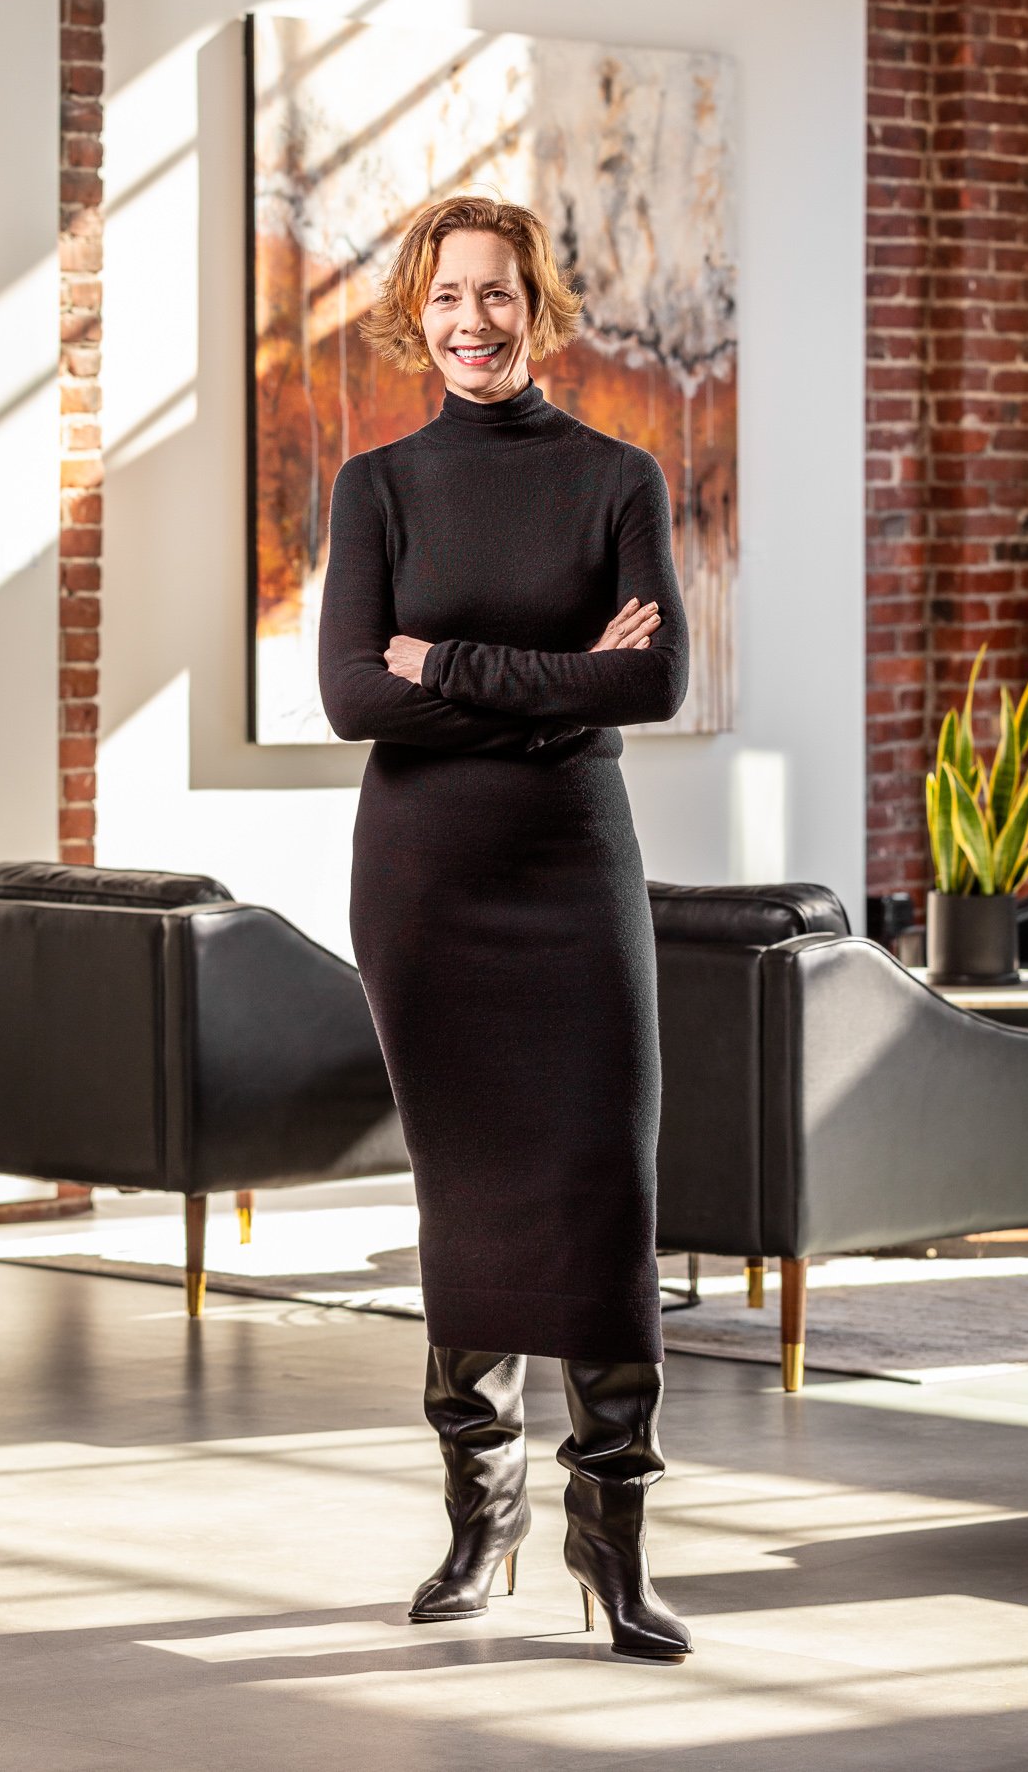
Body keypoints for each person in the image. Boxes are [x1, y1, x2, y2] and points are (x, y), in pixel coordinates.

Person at [317, 193, 692, 1662]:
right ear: (421, 312)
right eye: (449, 295)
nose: (476, 320)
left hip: (572, 873)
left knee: (605, 1184)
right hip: (429, 886)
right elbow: (356, 696)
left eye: (500, 293)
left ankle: (617, 1549)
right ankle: (484, 1529)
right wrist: (554, 685)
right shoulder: (380, 485)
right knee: (462, 1194)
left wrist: (454, 665)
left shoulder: (617, 480)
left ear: (541, 305)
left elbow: (651, 690)